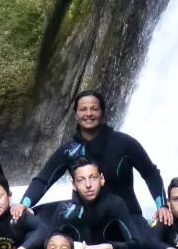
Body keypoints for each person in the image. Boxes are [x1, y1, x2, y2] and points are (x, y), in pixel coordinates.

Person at [17, 90, 169, 223]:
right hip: (84, 217)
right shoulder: (69, 150)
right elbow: (43, 180)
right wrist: (24, 204)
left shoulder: (124, 143)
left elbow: (151, 174)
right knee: (28, 217)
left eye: (94, 109)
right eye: (83, 109)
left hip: (126, 215)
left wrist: (162, 206)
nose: (88, 114)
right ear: (76, 114)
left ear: (102, 112)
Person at [48, 159, 147, 249]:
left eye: (93, 178)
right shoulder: (64, 209)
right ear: (74, 185)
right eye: (81, 180)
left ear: (102, 179)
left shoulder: (115, 204)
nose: (88, 185)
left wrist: (107, 247)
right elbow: (47, 247)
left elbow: (138, 243)